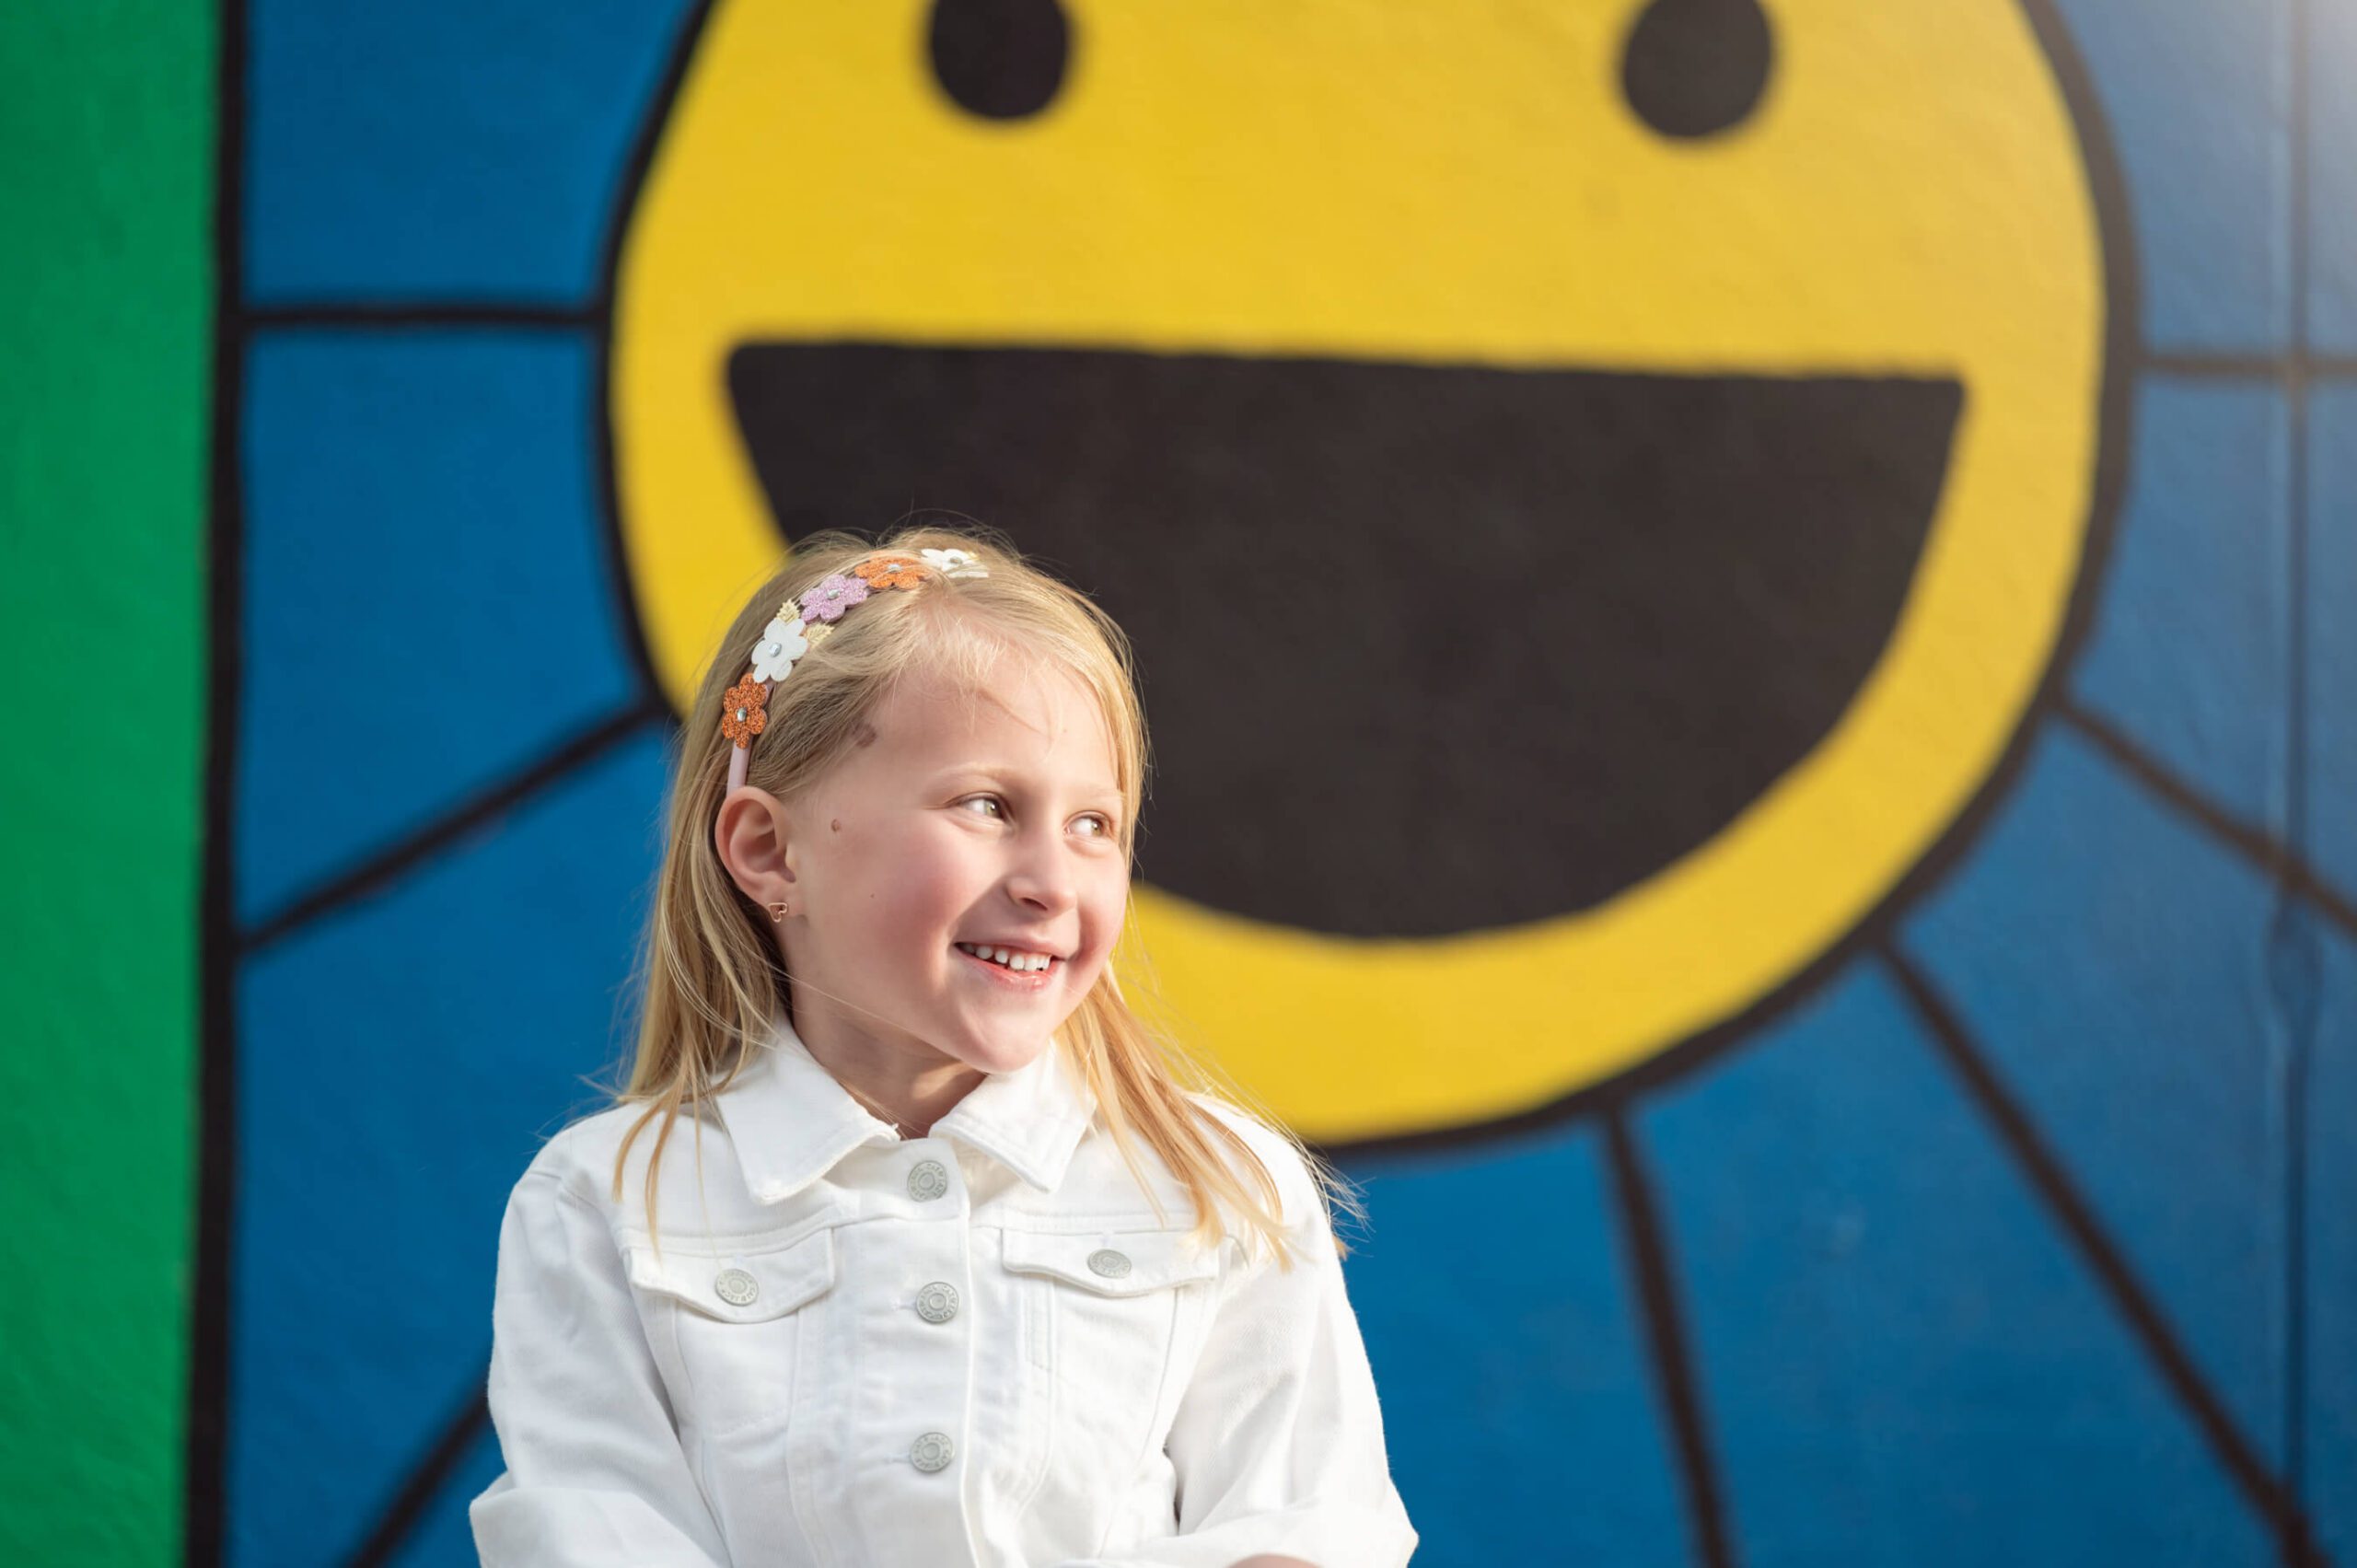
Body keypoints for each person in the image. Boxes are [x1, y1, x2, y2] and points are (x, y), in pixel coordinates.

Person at [468, 524, 1418, 1566]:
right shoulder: (603, 1203)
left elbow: (1308, 1532)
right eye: (987, 805)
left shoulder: (1221, 1187)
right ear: (768, 849)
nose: (1052, 882)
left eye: (1094, 824)